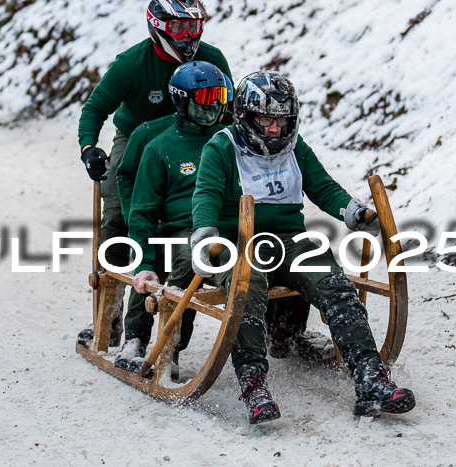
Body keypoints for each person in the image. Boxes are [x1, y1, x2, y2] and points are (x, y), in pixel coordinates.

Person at [191, 71, 416, 424]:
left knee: (335, 284)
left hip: (289, 241)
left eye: (281, 121)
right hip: (239, 241)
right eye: (265, 120)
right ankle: (253, 381)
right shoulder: (221, 147)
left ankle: (370, 376)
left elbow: (323, 187)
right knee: (247, 287)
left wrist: (350, 209)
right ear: (246, 117)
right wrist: (205, 235)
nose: (274, 130)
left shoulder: (296, 148)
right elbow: (204, 194)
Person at [77, 0, 232, 345]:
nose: (185, 36)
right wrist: (89, 147)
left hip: (196, 135)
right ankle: (111, 314)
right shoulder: (131, 64)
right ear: (156, 25)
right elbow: (95, 107)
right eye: (177, 28)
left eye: (191, 27)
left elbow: (228, 107)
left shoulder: (213, 58)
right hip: (135, 137)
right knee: (120, 215)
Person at [113, 61, 229, 376]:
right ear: (183, 99)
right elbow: (140, 207)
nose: (215, 104)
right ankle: (143, 340)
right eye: (207, 97)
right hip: (175, 226)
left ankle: (280, 331)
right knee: (173, 257)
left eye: (220, 95)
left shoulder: (229, 138)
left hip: (223, 226)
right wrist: (142, 256)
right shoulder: (155, 142)